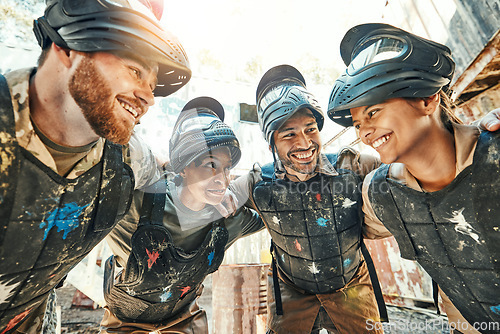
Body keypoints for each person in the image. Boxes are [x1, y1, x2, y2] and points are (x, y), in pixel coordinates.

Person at [0, 0, 191, 332]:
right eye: (135, 69)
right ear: (67, 46)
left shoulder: (128, 160)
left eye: (153, 82)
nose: (149, 97)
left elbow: (160, 169)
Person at [328, 23, 500, 334]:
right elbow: (347, 230)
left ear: (427, 101)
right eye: (356, 124)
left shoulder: (495, 154)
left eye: (373, 112)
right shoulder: (381, 194)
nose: (364, 132)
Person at [232, 64, 385, 333]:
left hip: (351, 288)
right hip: (291, 293)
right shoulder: (256, 183)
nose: (304, 143)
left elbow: (407, 169)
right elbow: (212, 201)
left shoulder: (355, 166)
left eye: (310, 129)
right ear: (272, 144)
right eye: (289, 134)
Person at [100, 97, 265, 334]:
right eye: (210, 164)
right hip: (126, 318)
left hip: (183, 316)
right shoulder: (137, 203)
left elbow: (277, 207)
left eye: (226, 168)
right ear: (183, 166)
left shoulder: (229, 219)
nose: (222, 178)